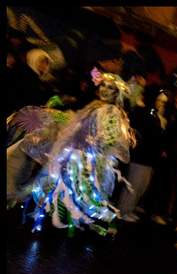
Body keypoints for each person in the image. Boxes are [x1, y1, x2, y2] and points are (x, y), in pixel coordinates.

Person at [21, 68, 136, 236]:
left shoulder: (112, 111)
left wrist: (95, 145)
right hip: (72, 153)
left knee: (83, 194)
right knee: (57, 186)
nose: (104, 89)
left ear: (117, 93)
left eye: (110, 88)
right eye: (103, 85)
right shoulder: (95, 105)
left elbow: (111, 139)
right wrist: (55, 115)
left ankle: (107, 222)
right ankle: (53, 221)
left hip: (86, 160)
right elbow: (74, 121)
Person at [115, 85, 165, 223]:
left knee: (140, 186)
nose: (161, 104)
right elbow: (140, 136)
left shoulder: (153, 115)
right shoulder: (141, 113)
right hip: (140, 156)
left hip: (148, 158)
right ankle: (122, 211)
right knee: (133, 185)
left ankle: (129, 208)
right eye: (159, 100)